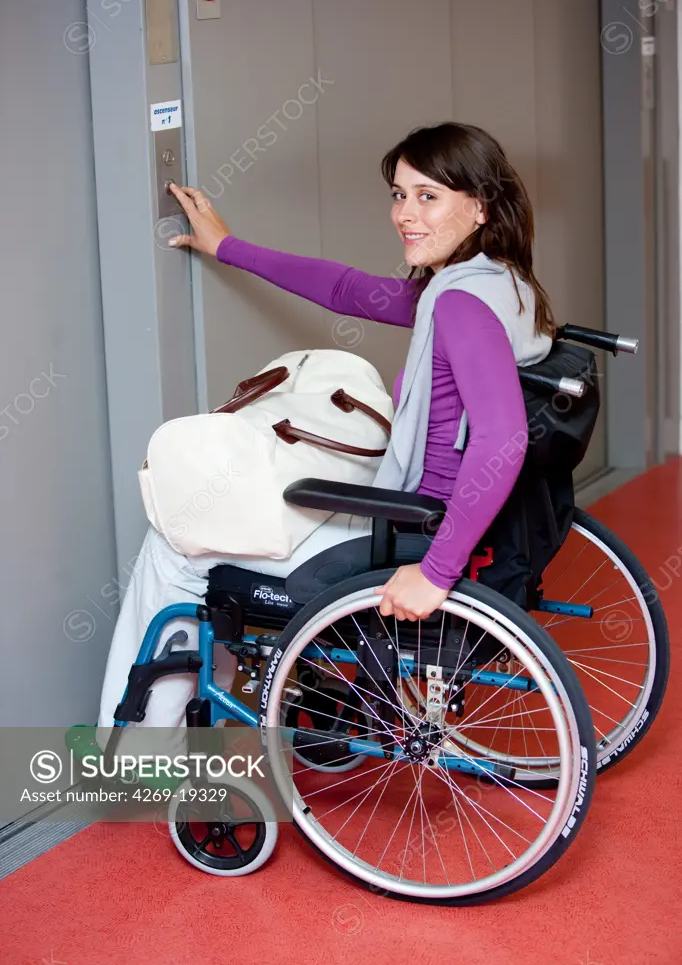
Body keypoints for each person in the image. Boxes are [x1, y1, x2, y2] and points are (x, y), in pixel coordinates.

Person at [95, 121, 556, 746]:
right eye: (399, 194)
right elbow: (347, 290)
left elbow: (503, 441)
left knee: (178, 546)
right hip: (442, 517)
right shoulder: (502, 285)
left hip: (417, 531)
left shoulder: (459, 305)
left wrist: (437, 574)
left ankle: (136, 752)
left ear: (478, 207)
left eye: (429, 196)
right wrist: (228, 246)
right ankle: (193, 729)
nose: (405, 215)